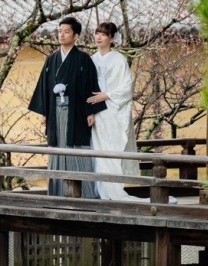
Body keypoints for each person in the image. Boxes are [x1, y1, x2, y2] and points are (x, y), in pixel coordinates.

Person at [28, 16, 105, 197]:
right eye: (60, 31)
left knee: (77, 148)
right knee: (57, 148)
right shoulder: (51, 60)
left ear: (76, 35)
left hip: (76, 112)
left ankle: (84, 194)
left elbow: (90, 85)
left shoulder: (83, 59)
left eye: (67, 31)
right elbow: (44, 88)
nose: (61, 35)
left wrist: (91, 111)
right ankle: (56, 194)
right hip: (55, 111)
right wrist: (45, 112)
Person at [86, 21, 140, 201]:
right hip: (96, 110)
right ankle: (100, 190)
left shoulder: (119, 59)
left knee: (112, 149)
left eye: (103, 34)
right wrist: (90, 110)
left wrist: (107, 95)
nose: (99, 37)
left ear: (111, 38)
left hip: (112, 109)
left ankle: (114, 189)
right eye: (97, 33)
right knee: (98, 149)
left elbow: (127, 87)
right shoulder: (92, 59)